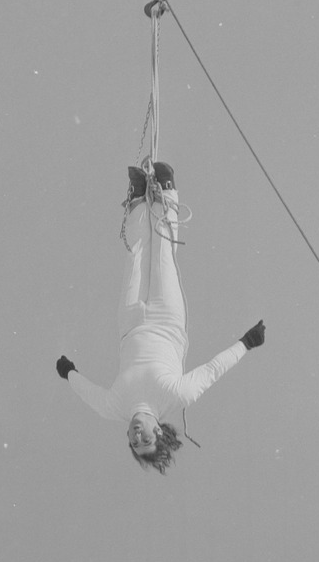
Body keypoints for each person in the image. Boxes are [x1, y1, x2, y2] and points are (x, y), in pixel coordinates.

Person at [55, 162, 266, 474]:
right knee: (163, 255)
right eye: (146, 440)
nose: (137, 436)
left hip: (130, 322)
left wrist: (69, 372)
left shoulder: (114, 407)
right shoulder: (176, 396)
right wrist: (247, 343)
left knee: (137, 256)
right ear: (158, 432)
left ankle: (139, 197)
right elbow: (212, 370)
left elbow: (87, 392)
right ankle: (166, 191)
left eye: (134, 442)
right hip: (167, 319)